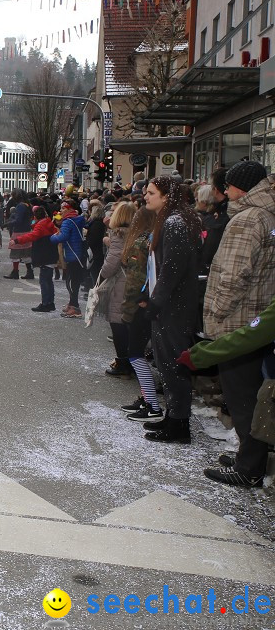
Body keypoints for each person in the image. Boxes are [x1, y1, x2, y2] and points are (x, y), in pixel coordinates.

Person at [200, 162, 274, 484]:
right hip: (256, 319)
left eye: (228, 186)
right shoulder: (266, 214)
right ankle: (249, 454)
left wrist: (216, 312)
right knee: (251, 394)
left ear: (241, 188)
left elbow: (233, 275)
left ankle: (249, 470)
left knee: (241, 397)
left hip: (237, 322)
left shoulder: (247, 219)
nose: (224, 191)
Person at [178, 293, 275, 488]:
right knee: (252, 407)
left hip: (239, 328)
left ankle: (249, 469)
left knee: (252, 408)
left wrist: (203, 354)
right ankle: (248, 462)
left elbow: (254, 332)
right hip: (250, 337)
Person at [138, 176, 202, 444]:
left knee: (172, 362)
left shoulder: (175, 223)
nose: (146, 197)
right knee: (166, 362)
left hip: (174, 306)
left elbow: (171, 269)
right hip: (173, 303)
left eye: (151, 192)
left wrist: (156, 301)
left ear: (167, 196)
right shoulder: (176, 220)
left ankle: (178, 424)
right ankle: (173, 416)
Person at [118, 207, 162, 420]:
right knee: (138, 352)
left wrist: (130, 304)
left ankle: (152, 404)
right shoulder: (154, 240)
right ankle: (147, 399)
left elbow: (136, 279)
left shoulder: (141, 243)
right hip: (151, 301)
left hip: (140, 304)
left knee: (135, 353)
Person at [98, 201, 137, 378]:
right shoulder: (136, 233)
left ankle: (123, 362)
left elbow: (110, 264)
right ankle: (131, 361)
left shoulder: (119, 234)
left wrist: (102, 275)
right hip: (134, 281)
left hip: (120, 283)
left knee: (118, 323)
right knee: (129, 324)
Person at [13, 206, 58, 313]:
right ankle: (50, 303)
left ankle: (45, 303)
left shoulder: (41, 225)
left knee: (44, 281)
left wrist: (17, 240)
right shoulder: (47, 222)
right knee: (48, 280)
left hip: (45, 256)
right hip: (50, 255)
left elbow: (32, 236)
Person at [50, 199, 87, 319]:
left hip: (72, 253)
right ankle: (71, 304)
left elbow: (64, 236)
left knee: (71, 282)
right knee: (74, 280)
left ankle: (75, 307)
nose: (61, 211)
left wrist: (52, 238)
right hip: (78, 252)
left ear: (69, 209)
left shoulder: (67, 221)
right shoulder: (76, 219)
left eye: (63, 209)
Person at [5, 189, 34, 279]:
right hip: (27, 231)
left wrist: (8, 223)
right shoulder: (27, 205)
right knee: (26, 253)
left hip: (19, 232)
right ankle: (30, 272)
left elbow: (18, 220)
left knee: (15, 253)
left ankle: (15, 272)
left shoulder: (20, 206)